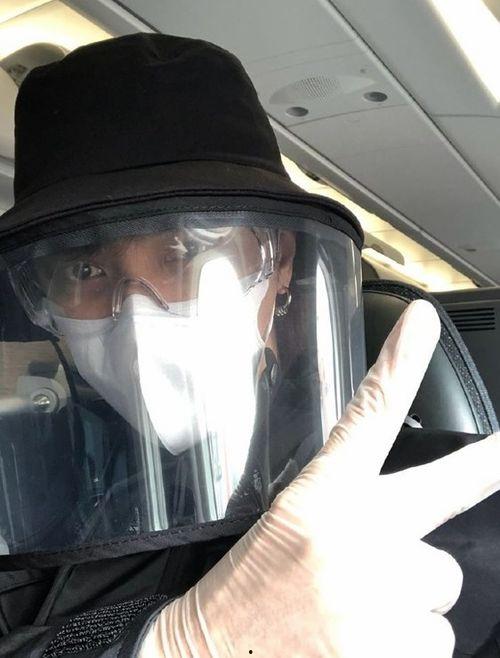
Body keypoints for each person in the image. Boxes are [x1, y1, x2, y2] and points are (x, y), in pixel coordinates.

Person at [0, 32, 500, 658]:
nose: (136, 316)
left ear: (279, 262)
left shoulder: (454, 506)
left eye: (184, 252)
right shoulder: (49, 518)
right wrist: (177, 646)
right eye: (84, 270)